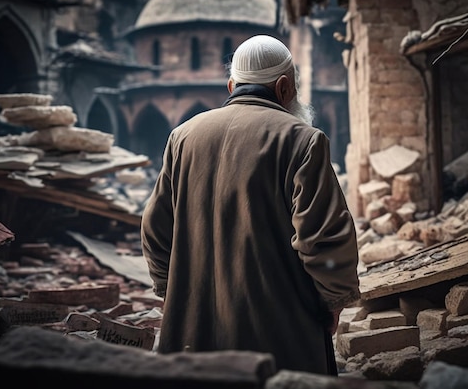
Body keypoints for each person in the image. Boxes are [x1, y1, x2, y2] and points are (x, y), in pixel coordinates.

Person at [140, 34, 360, 375]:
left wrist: (173, 292)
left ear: (232, 85)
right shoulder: (302, 140)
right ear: (285, 87)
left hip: (192, 333)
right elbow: (322, 236)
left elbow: (155, 229)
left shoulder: (182, 136)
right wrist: (334, 299)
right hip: (279, 334)